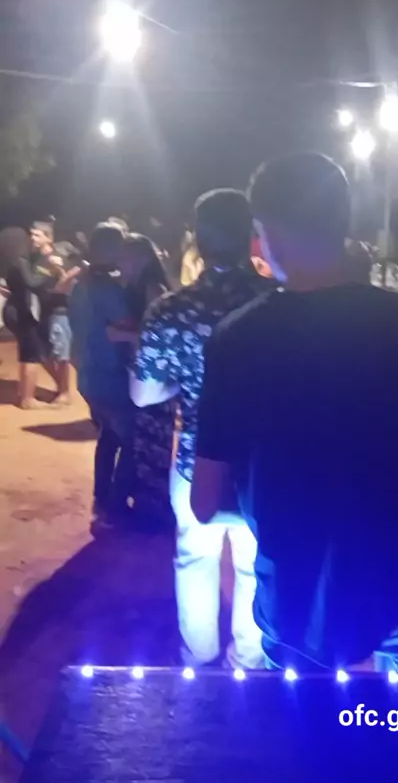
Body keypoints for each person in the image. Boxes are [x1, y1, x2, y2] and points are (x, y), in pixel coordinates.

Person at [191, 153, 398, 781]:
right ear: (342, 222)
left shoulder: (235, 338)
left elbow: (205, 501)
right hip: (394, 583)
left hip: (292, 593)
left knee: (309, 749)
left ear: (267, 232)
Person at [131, 188, 272, 669]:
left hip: (196, 462)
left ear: (198, 239)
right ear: (250, 235)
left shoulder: (171, 309)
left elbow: (142, 394)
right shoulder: (280, 304)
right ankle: (249, 663)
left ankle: (198, 661)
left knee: (195, 560)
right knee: (256, 567)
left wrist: (185, 380)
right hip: (264, 467)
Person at [69, 223, 135, 529]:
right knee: (131, 440)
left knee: (109, 437)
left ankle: (102, 501)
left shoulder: (80, 284)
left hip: (87, 373)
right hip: (109, 374)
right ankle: (114, 507)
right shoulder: (106, 288)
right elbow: (127, 322)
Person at [108, 234, 176, 528]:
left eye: (127, 256)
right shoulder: (136, 286)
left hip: (153, 376)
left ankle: (151, 511)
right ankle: (147, 508)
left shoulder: (153, 288)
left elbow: (158, 336)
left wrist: (122, 335)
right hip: (142, 372)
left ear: (144, 258)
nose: (121, 261)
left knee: (150, 444)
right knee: (143, 443)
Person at [3, 226, 63, 408]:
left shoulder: (26, 260)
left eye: (36, 235)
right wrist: (51, 272)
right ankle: (28, 399)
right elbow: (32, 283)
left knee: (31, 350)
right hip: (21, 310)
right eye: (31, 235)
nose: (32, 238)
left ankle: (26, 394)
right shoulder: (22, 260)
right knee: (31, 354)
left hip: (17, 309)